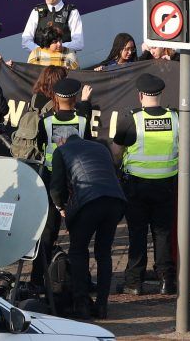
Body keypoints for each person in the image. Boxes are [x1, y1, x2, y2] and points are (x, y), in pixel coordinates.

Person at [112, 74, 178, 296]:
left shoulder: (132, 119)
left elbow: (116, 152)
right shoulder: (175, 117)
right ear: (160, 94)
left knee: (137, 234)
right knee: (163, 234)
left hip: (137, 187)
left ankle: (134, 282)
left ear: (140, 95)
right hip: (166, 185)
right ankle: (167, 281)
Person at [49, 136, 126, 320]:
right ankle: (101, 306)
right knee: (104, 253)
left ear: (63, 141)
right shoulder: (101, 148)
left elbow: (56, 187)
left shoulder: (61, 151)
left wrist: (61, 208)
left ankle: (81, 304)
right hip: (115, 201)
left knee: (78, 252)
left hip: (88, 202)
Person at [33, 77, 92, 290]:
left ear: (56, 98)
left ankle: (37, 279)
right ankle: (81, 280)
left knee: (47, 233)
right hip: (76, 181)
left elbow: (40, 145)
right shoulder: (83, 121)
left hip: (52, 181)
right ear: (74, 98)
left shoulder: (46, 121)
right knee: (79, 236)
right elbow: (88, 145)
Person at [21, 0, 85, 54]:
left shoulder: (71, 11)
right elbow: (25, 41)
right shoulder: (37, 11)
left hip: (63, 60)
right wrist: (43, 51)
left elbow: (79, 43)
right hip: (40, 60)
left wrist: (58, 47)